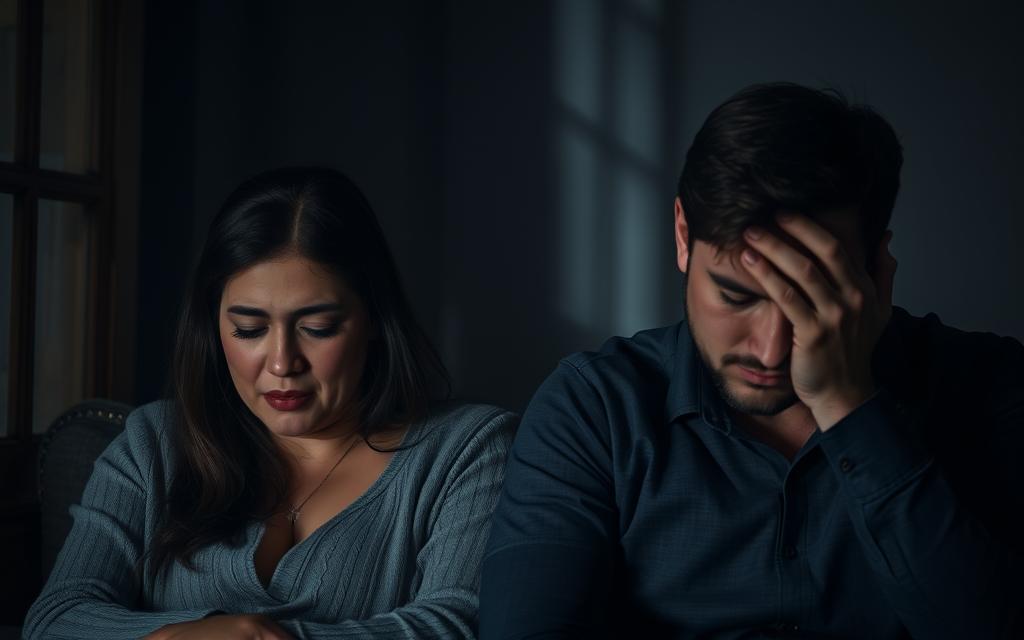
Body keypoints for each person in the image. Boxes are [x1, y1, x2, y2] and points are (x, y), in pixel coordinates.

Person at [480, 83, 1023, 638]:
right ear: (683, 235)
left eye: (812, 300)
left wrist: (848, 404)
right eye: (736, 296)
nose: (770, 349)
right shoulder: (594, 409)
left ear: (876, 270)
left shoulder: (990, 387)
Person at [25, 167, 516, 639]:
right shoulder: (154, 442)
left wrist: (258, 638)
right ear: (213, 328)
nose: (282, 362)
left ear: (373, 321)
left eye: (317, 328)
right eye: (249, 329)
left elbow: (454, 626)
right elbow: (57, 620)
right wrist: (186, 637)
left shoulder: (469, 450)